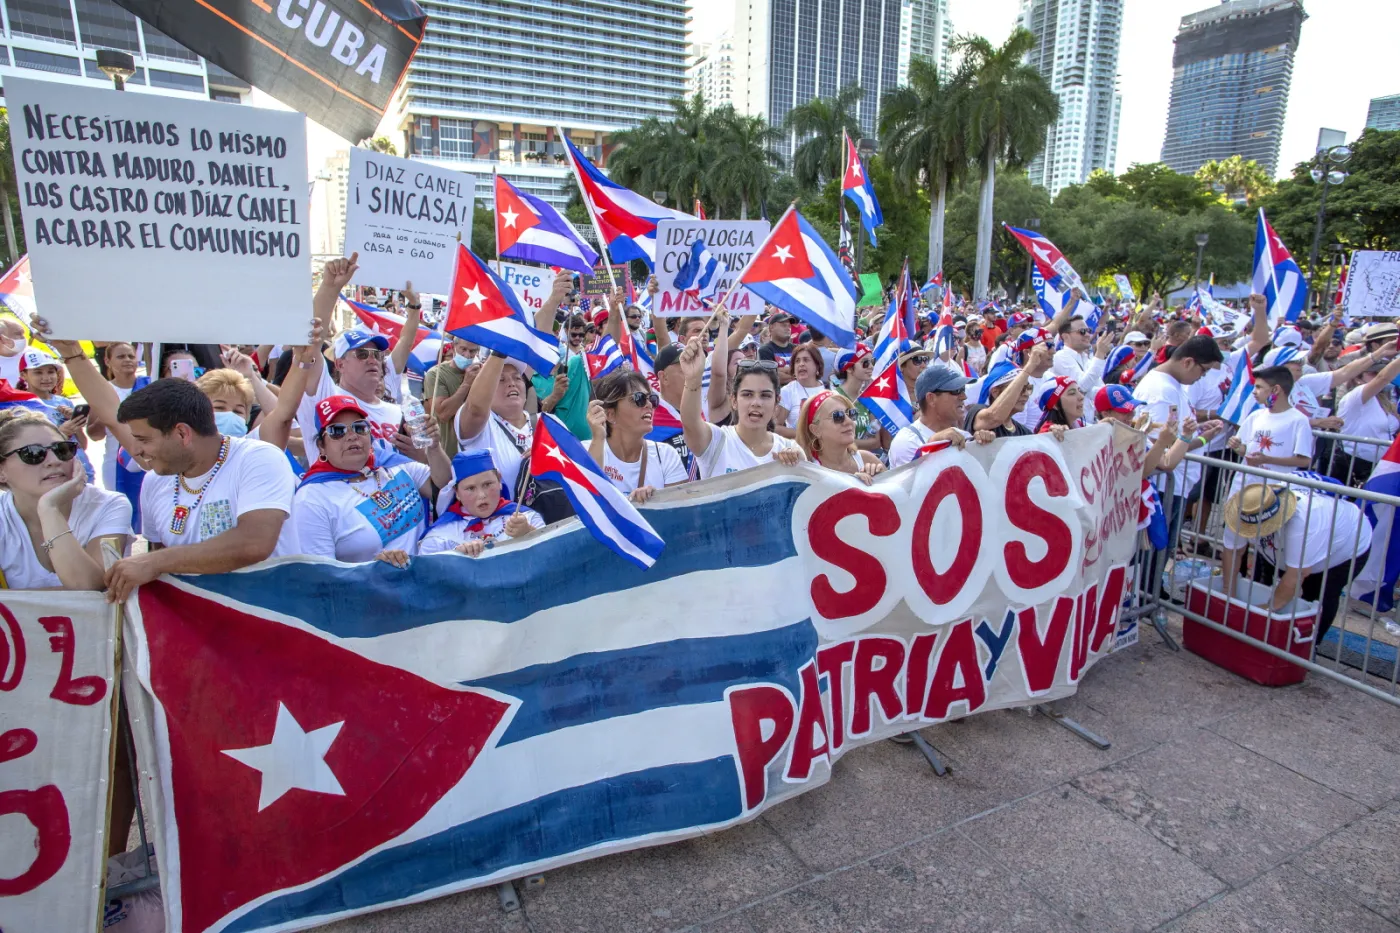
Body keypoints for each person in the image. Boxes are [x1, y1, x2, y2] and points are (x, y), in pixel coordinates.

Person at [290, 395, 452, 566]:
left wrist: (434, 448)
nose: (352, 436)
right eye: (337, 431)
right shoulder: (311, 500)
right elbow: (323, 576)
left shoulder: (392, 463)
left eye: (359, 428)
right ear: (321, 447)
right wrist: (372, 569)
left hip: (426, 580)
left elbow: (444, 487)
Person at [304, 252, 423, 463]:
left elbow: (405, 342)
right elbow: (311, 341)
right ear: (340, 363)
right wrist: (330, 288)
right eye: (361, 353)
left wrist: (414, 306)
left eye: (377, 354)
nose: (372, 360)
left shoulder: (393, 403)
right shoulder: (326, 397)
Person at [1221, 483, 1372, 642]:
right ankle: (1264, 636)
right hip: (1287, 544)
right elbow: (1232, 551)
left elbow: (1297, 574)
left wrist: (1263, 611)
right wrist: (1227, 595)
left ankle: (1309, 646)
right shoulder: (1243, 506)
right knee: (1268, 585)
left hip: (1345, 545)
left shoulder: (1305, 519)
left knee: (1318, 596)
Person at [0, 410, 129, 589]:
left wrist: (49, 509)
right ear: (2, 472)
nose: (54, 461)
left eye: (62, 450)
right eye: (33, 453)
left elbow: (87, 589)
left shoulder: (109, 505)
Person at [1134, 334, 1227, 551]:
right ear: (1188, 362)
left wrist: (1198, 433)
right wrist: (1201, 438)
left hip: (1175, 484)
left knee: (1162, 552)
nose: (1202, 377)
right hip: (1165, 487)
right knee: (1155, 554)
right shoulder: (1161, 389)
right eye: (1203, 371)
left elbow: (1174, 438)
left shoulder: (1172, 384)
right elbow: (1162, 447)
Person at [679, 337, 803, 478]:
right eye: (747, 394)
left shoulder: (789, 450)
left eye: (765, 395)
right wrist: (693, 378)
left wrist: (798, 460)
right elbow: (690, 422)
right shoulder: (716, 442)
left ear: (777, 403)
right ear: (734, 400)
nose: (756, 402)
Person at [587, 370, 688, 503]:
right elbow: (587, 502)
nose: (649, 405)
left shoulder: (666, 455)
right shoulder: (586, 451)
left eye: (652, 399)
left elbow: (681, 511)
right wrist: (598, 438)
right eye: (639, 398)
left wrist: (656, 499)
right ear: (610, 414)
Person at [419, 450, 544, 556]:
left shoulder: (526, 518)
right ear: (456, 492)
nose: (482, 495)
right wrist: (455, 557)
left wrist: (528, 533)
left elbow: (549, 558)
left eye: (488, 484)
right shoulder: (440, 536)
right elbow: (426, 576)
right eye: (471, 488)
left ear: (499, 481)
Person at [889, 365, 995, 468]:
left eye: (963, 389)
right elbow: (912, 484)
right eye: (956, 390)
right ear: (931, 398)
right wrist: (932, 444)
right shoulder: (906, 441)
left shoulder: (964, 436)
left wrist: (982, 447)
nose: (964, 396)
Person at [1225, 366, 1313, 486]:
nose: (1254, 392)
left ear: (1276, 389)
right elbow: (1246, 450)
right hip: (1244, 485)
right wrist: (1236, 446)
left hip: (1274, 490)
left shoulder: (1299, 420)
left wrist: (1268, 459)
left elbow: (1304, 461)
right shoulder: (1255, 416)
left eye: (1259, 387)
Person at [18, 347, 93, 481]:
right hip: (54, 475)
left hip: (82, 471)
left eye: (51, 372)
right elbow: (29, 450)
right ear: (24, 375)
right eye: (38, 372)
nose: (46, 378)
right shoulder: (22, 406)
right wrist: (61, 432)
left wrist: (76, 423)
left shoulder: (64, 402)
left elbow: (83, 444)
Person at [1333, 353, 1400, 485]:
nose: (1379, 376)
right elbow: (1383, 378)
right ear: (1359, 377)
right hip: (1355, 464)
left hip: (1379, 466)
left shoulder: (1383, 400)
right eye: (1373, 373)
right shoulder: (1356, 395)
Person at [794, 391, 886, 484]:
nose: (849, 421)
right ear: (815, 430)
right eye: (837, 416)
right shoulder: (807, 471)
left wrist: (880, 479)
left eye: (851, 413)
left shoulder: (867, 460)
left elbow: (895, 494)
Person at [966, 344, 1054, 438]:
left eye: (1028, 388)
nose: (1026, 394)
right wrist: (1028, 368)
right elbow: (993, 418)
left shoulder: (1022, 431)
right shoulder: (976, 411)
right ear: (995, 392)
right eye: (1019, 388)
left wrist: (1052, 433)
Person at [423, 335, 482, 458]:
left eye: (472, 351)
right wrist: (466, 383)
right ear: (454, 347)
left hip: (477, 449)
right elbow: (443, 414)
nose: (467, 355)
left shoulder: (481, 372)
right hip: (449, 452)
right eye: (463, 349)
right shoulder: (436, 374)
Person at [831, 344, 879, 451]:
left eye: (872, 361)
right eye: (865, 363)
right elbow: (834, 439)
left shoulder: (868, 398)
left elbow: (876, 442)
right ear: (848, 368)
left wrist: (849, 442)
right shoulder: (835, 398)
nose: (871, 366)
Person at [776, 345, 825, 437]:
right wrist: (805, 436)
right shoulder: (788, 391)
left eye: (806, 360)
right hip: (798, 447)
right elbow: (775, 427)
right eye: (797, 361)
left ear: (817, 365)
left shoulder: (828, 390)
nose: (801, 364)